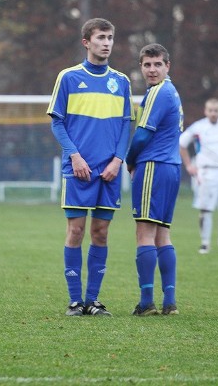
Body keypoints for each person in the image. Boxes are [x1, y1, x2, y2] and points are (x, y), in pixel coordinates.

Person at [47, 18, 133, 316]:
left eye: (110, 37)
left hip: (109, 171)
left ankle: (93, 301)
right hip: (78, 170)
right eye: (101, 37)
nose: (107, 42)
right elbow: (57, 123)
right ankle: (75, 302)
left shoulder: (121, 81)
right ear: (86, 42)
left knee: (100, 233)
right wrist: (75, 156)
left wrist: (118, 161)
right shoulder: (68, 77)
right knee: (76, 231)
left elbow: (125, 127)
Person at [126, 43, 183, 316]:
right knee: (162, 233)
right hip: (172, 168)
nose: (152, 70)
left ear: (167, 66)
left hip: (153, 167)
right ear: (141, 67)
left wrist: (129, 160)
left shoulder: (159, 93)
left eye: (157, 64)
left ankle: (147, 301)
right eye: (147, 65)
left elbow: (142, 134)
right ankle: (169, 302)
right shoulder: (172, 92)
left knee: (144, 232)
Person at [179, 98, 218, 254]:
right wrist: (188, 165)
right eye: (210, 110)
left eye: (216, 111)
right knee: (206, 208)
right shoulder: (198, 127)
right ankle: (205, 243)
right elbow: (182, 144)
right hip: (207, 171)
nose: (213, 113)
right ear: (205, 111)